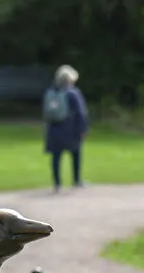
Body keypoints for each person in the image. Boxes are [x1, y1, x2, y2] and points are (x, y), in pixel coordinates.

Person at [43, 64, 89, 193]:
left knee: (56, 156)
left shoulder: (51, 92)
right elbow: (81, 112)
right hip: (70, 128)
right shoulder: (73, 93)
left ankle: (57, 183)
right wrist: (83, 129)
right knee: (76, 154)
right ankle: (76, 179)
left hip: (54, 129)